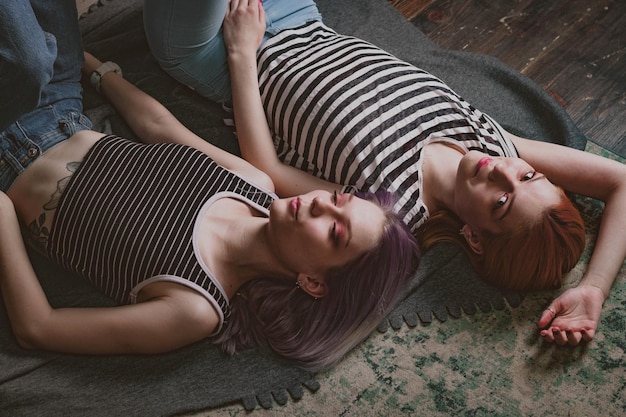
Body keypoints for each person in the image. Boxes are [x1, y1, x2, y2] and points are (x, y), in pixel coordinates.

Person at [143, 0, 626, 347]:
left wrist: (242, 53)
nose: (503, 174)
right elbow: (621, 180)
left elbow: (265, 168)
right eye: (529, 178)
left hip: (223, 52)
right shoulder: (495, 143)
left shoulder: (388, 211)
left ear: (475, 238)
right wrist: (594, 288)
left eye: (501, 203)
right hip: (298, 15)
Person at [0, 0, 420, 371]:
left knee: (28, 56)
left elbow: (39, 327)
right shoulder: (253, 184)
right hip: (60, 100)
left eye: (334, 231)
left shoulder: (195, 307)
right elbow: (159, 127)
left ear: (313, 282)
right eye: (334, 198)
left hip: (8, 157)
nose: (316, 204)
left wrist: (2, 213)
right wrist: (91, 68)